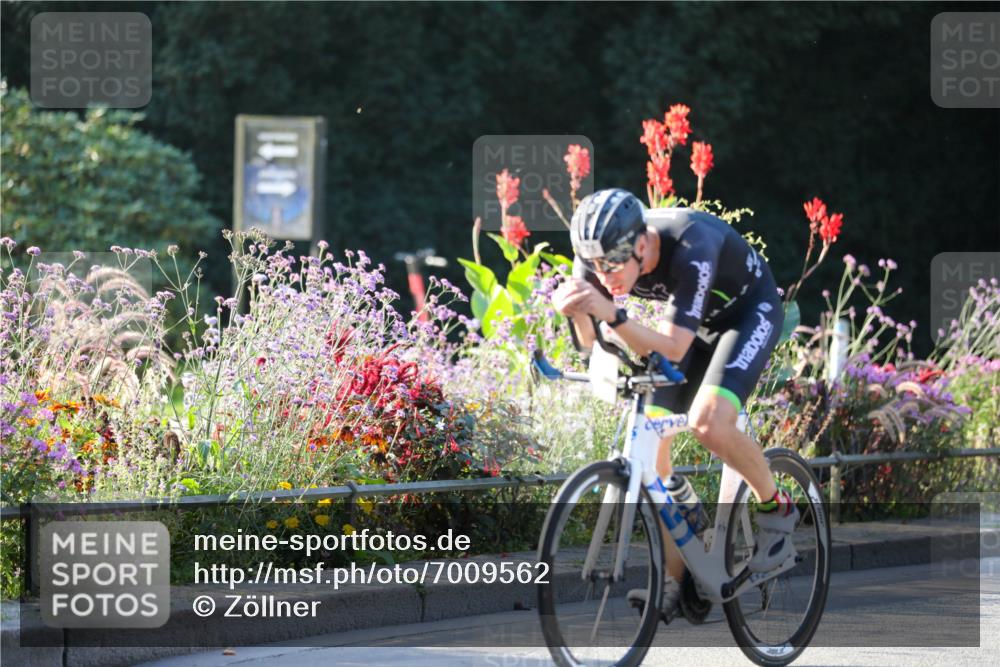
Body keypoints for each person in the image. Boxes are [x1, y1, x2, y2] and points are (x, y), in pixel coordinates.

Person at [550, 188, 797, 623]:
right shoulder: (595, 254)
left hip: (746, 316)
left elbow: (673, 345)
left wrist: (612, 314)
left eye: (613, 265)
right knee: (651, 443)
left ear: (642, 244)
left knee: (709, 424)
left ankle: (777, 510)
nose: (603, 275)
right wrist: (574, 312)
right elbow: (592, 346)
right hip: (690, 325)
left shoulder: (692, 243)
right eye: (594, 266)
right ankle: (675, 579)